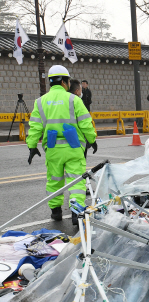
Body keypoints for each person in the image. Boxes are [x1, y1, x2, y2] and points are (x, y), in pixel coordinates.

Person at [26, 65, 98, 226]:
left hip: (52, 149)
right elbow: (86, 123)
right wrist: (92, 139)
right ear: (66, 81)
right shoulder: (74, 100)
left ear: (51, 82)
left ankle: (56, 212)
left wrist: (32, 146)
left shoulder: (40, 102)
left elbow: (35, 127)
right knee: (77, 180)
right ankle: (75, 212)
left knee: (54, 179)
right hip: (73, 148)